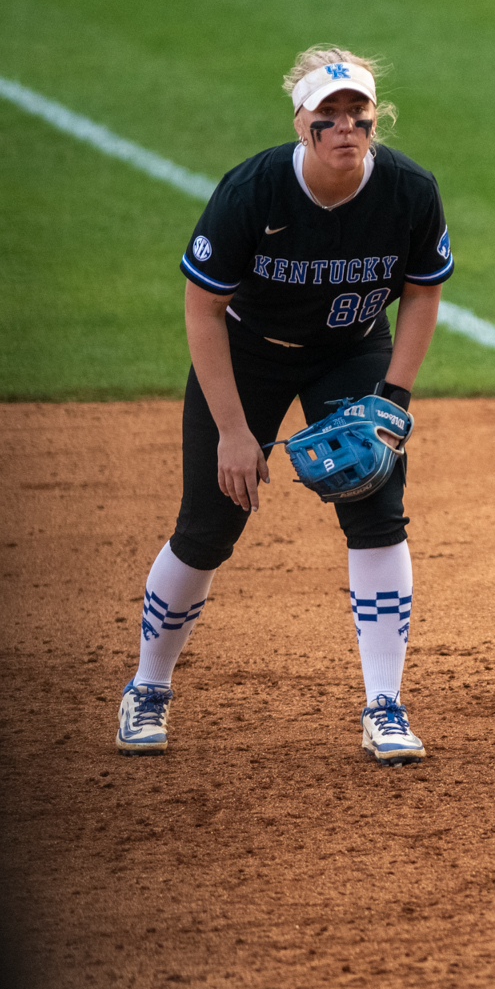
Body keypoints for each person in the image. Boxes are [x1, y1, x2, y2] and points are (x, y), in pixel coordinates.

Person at [113, 46, 454, 764]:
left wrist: (392, 396)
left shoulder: (408, 191)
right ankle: (148, 686)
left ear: (373, 120)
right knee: (209, 526)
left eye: (356, 114)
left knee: (376, 509)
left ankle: (384, 705)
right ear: (300, 122)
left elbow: (423, 292)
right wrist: (234, 432)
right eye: (326, 116)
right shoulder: (254, 192)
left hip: (351, 348)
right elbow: (202, 311)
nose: (343, 128)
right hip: (248, 352)